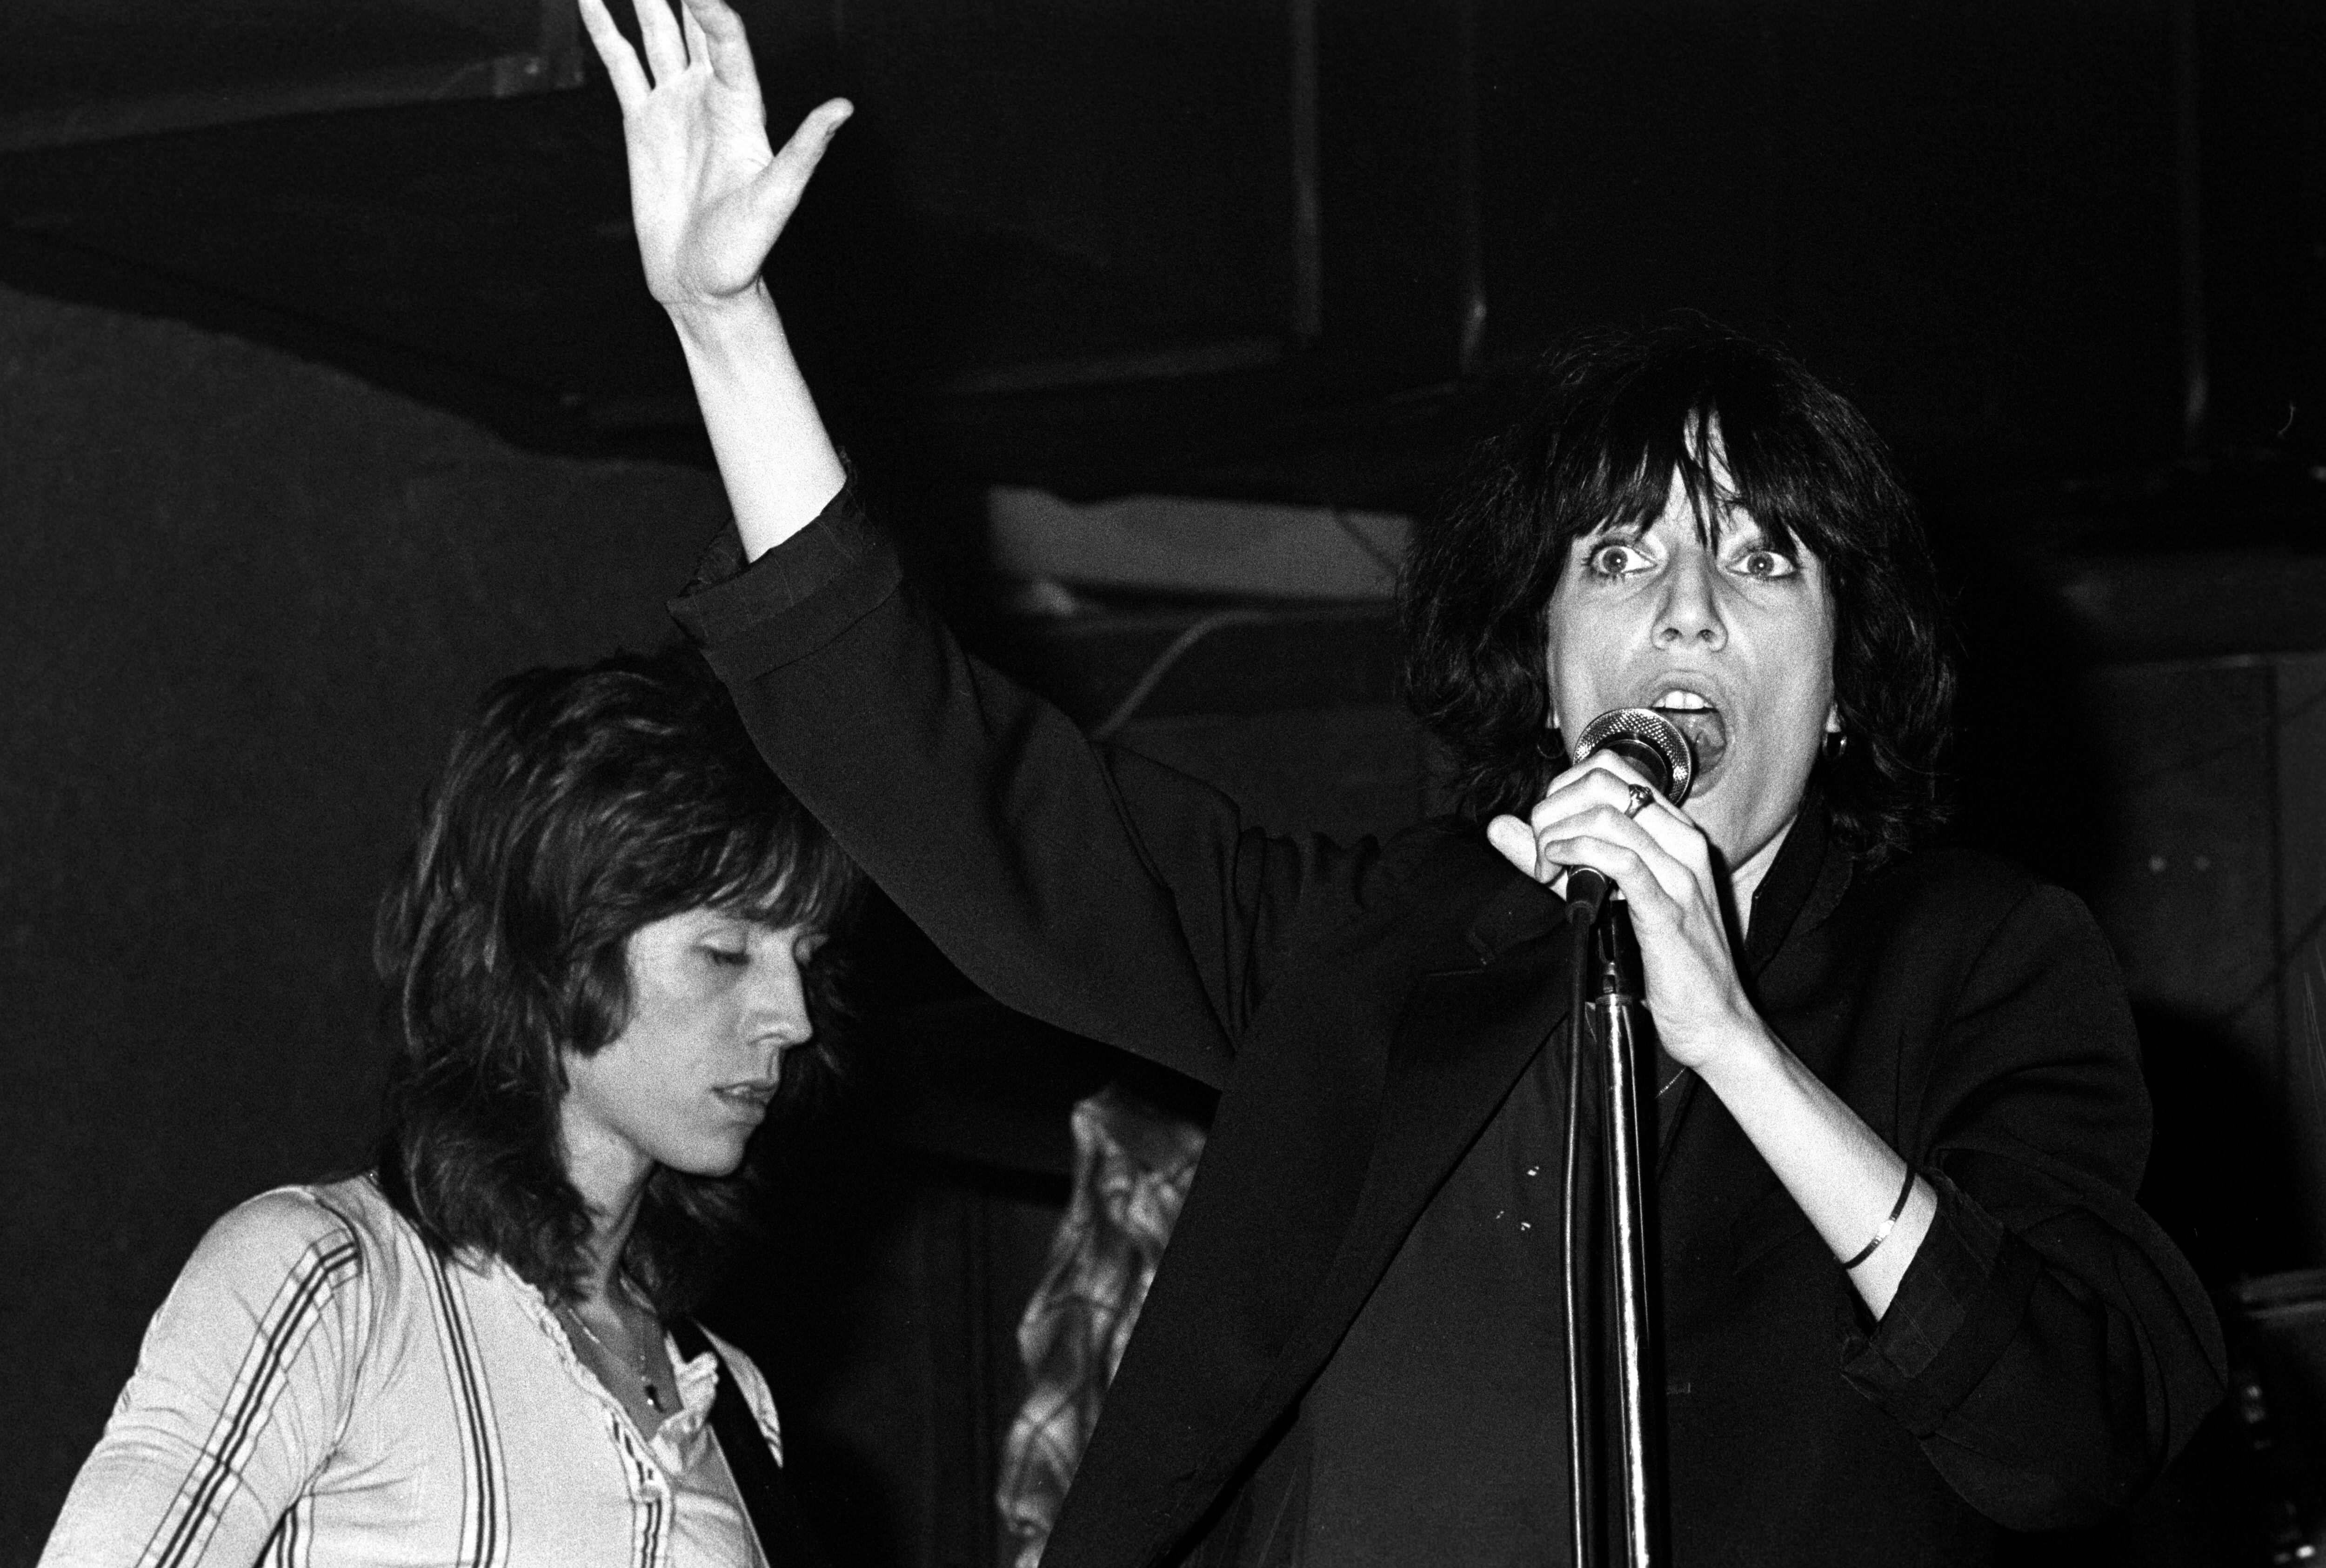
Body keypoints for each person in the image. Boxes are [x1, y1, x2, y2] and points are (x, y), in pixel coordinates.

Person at [583, 1, 2228, 1561]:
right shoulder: (1388, 941)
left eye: (1760, 558)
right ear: (1550, 663)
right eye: (1619, 555)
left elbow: (2075, 1427)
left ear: (1851, 677)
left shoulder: (1978, 965)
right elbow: (967, 792)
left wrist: (1733, 1043)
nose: (1684, 606)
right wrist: (728, 331)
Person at [40, 648, 859, 1566]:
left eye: (805, 957)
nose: (792, 1017)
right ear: (552, 947)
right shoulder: (328, 1282)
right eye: (726, 952)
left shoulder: (734, 1401)